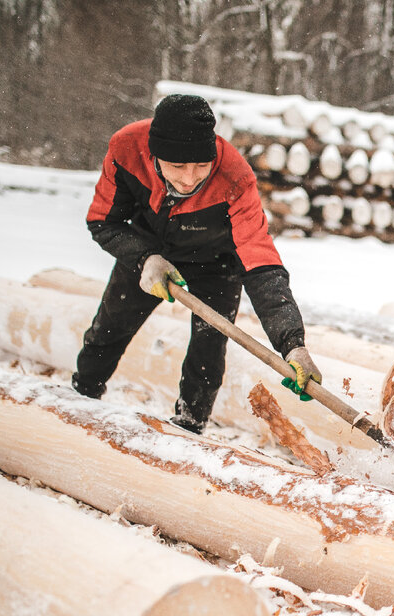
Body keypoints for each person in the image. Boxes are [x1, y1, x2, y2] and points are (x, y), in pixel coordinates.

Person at [72, 93, 321, 434]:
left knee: (208, 349)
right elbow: (102, 221)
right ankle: (81, 395)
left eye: (201, 167)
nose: (190, 179)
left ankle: (190, 426)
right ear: (155, 155)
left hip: (215, 263)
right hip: (149, 250)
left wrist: (293, 343)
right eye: (177, 167)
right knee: (110, 326)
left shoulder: (236, 178)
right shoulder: (126, 148)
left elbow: (261, 263)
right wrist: (144, 258)